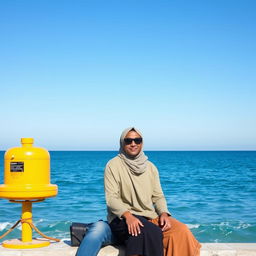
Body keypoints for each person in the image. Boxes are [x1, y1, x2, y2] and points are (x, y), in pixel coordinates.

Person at [104, 127, 201, 256]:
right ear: (122, 143)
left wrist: (164, 213)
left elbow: (158, 196)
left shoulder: (151, 167)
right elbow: (112, 198)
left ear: (142, 143)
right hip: (121, 218)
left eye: (137, 140)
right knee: (149, 231)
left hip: (149, 216)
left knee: (181, 231)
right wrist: (128, 216)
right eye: (129, 140)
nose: (133, 144)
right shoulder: (113, 165)